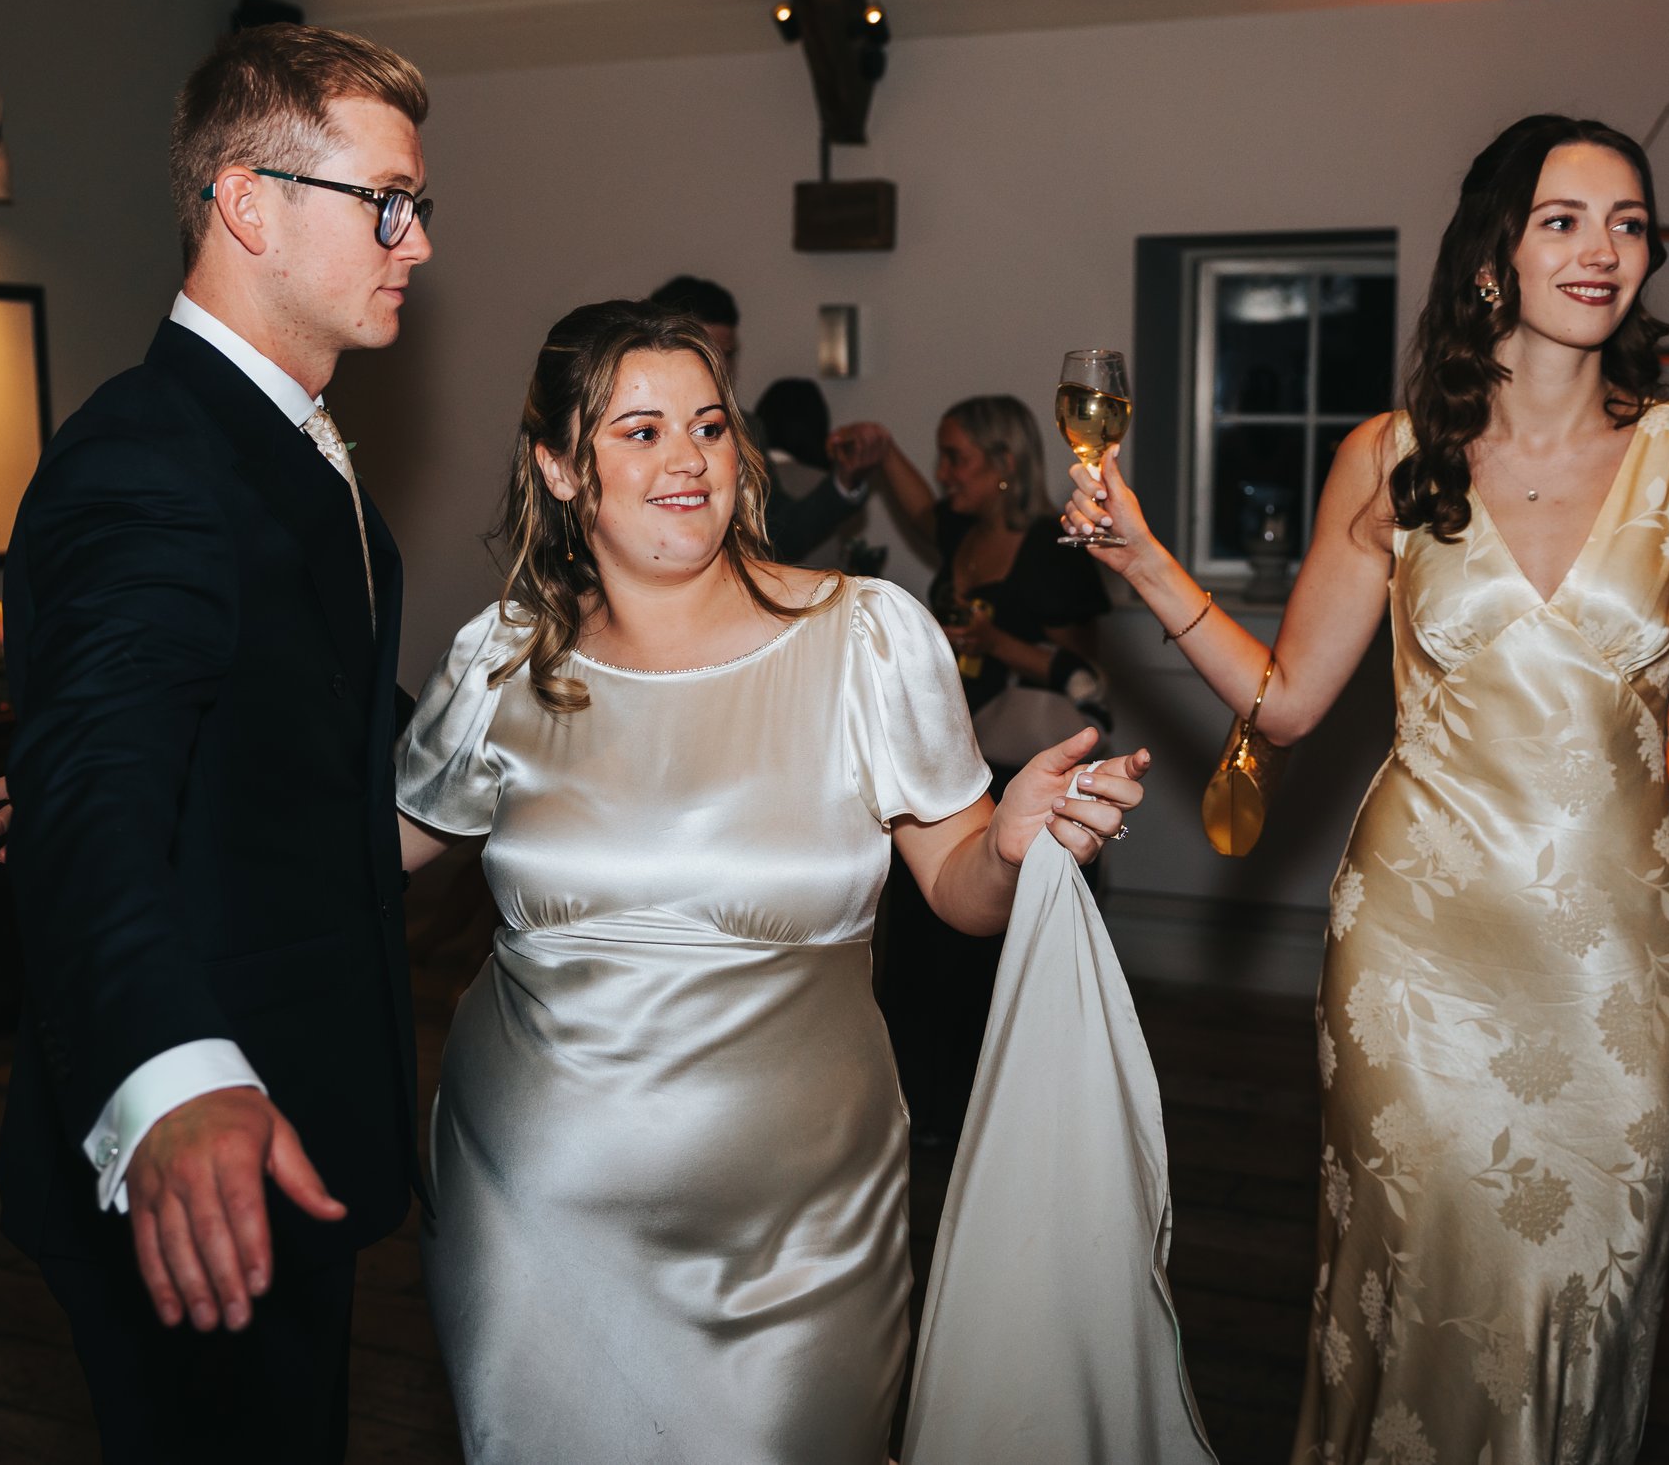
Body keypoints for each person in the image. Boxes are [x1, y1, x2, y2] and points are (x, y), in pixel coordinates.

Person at [1061, 115, 1669, 1465]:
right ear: (1496, 251)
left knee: (1582, 1297)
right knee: (1411, 1290)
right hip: (1417, 959)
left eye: (1626, 221)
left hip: (1618, 968)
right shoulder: (1390, 457)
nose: (1602, 249)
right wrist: (1144, 563)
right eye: (1564, 218)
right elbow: (1288, 701)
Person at [390, 300, 1156, 1461]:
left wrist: (1008, 843)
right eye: (638, 431)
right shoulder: (501, 659)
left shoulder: (863, 636)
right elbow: (352, 856)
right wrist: (139, 812)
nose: (686, 458)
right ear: (556, 464)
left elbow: (953, 882)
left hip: (801, 1218)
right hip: (533, 1202)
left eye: (706, 424)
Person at [0, 24, 434, 1462]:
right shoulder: (151, 455)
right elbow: (98, 791)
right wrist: (174, 1072)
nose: (415, 242)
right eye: (387, 201)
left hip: (298, 1115)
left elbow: (313, 728)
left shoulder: (286, 449)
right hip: (206, 1151)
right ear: (248, 202)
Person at [835, 397, 1112, 1141]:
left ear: (1004, 466)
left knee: (1000, 960)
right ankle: (925, 1109)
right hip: (942, 765)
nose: (942, 471)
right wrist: (882, 446)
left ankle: (1010, 1121)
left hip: (1023, 773)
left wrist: (997, 640)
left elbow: (1088, 672)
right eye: (939, 454)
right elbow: (919, 503)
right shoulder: (961, 532)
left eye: (956, 456)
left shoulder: (1056, 550)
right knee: (928, 949)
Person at [648, 274, 872, 561]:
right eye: (704, 355)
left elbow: (777, 535)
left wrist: (844, 481)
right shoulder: (624, 428)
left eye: (727, 356)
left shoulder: (746, 428)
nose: (720, 370)